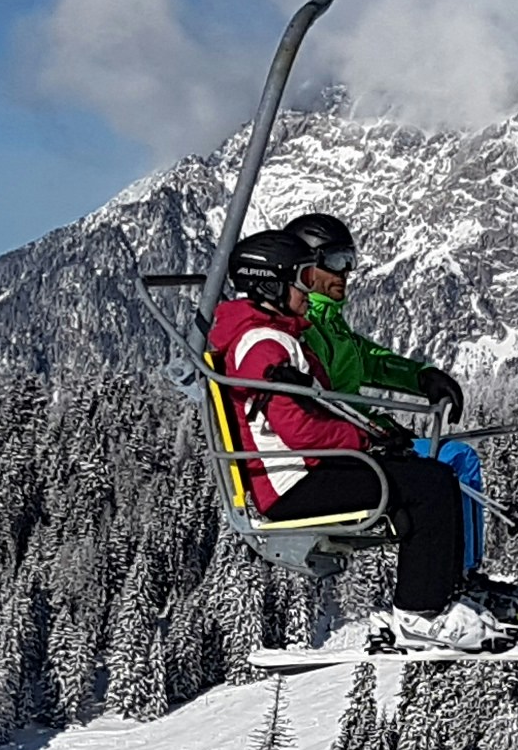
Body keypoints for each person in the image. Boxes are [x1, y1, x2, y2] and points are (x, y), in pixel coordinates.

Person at [210, 227, 497, 649]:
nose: (311, 290)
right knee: (429, 482)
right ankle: (419, 612)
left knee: (429, 477)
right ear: (274, 284)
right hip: (293, 480)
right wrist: (367, 441)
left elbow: (322, 404)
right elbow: (298, 428)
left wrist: (378, 428)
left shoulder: (280, 337)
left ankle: (440, 595)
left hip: (310, 467)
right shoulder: (264, 344)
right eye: (305, 280)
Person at [277, 212, 518, 616]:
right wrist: (376, 432)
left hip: (360, 439)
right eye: (335, 260)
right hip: (341, 451)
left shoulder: (331, 325)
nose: (346, 272)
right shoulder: (303, 330)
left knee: (459, 459)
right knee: (447, 463)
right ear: (306, 266)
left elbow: (372, 362)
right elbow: (318, 406)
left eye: (350, 259)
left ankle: (462, 578)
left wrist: (421, 377)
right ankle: (442, 593)